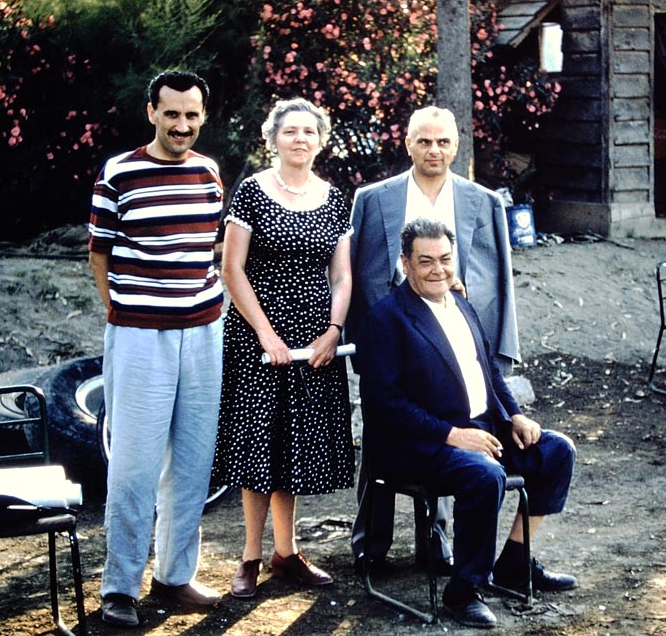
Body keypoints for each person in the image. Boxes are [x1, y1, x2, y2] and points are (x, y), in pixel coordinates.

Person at [357, 217, 577, 629]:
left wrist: (515, 414)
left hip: (481, 429)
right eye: (425, 262)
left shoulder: (459, 303)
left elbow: (488, 370)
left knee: (556, 451)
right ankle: (464, 590)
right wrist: (452, 435)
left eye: (444, 259)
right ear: (405, 263)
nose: (438, 269)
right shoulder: (386, 320)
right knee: (484, 474)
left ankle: (514, 563)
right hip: (417, 446)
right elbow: (383, 405)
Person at [348, 105, 520, 574]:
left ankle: (439, 542)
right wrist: (359, 336)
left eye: (443, 141)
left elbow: (499, 275)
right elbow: (356, 269)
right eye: (424, 141)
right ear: (407, 143)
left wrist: (502, 340)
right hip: (392, 335)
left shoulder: (482, 201)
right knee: (387, 433)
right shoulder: (374, 198)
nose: (434, 150)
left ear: (457, 145)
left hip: (455, 332)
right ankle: (370, 544)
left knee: (457, 431)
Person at [88, 71, 224, 627]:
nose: (182, 125)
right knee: (135, 466)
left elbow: (210, 248)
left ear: (202, 117)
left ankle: (174, 576)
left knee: (192, 462)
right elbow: (100, 257)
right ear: (151, 112)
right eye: (172, 114)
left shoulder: (210, 172)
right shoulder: (118, 173)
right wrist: (126, 312)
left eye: (192, 115)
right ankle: (119, 587)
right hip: (141, 336)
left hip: (204, 333)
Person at [212, 98, 354, 599]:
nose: (299, 139)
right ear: (273, 139)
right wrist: (267, 334)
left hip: (314, 338)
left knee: (292, 443)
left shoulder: (334, 198)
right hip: (257, 335)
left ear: (320, 140)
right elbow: (232, 270)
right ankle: (251, 556)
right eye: (290, 131)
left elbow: (341, 274)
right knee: (257, 443)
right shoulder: (251, 192)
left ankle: (286, 553)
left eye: (308, 132)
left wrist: (333, 331)